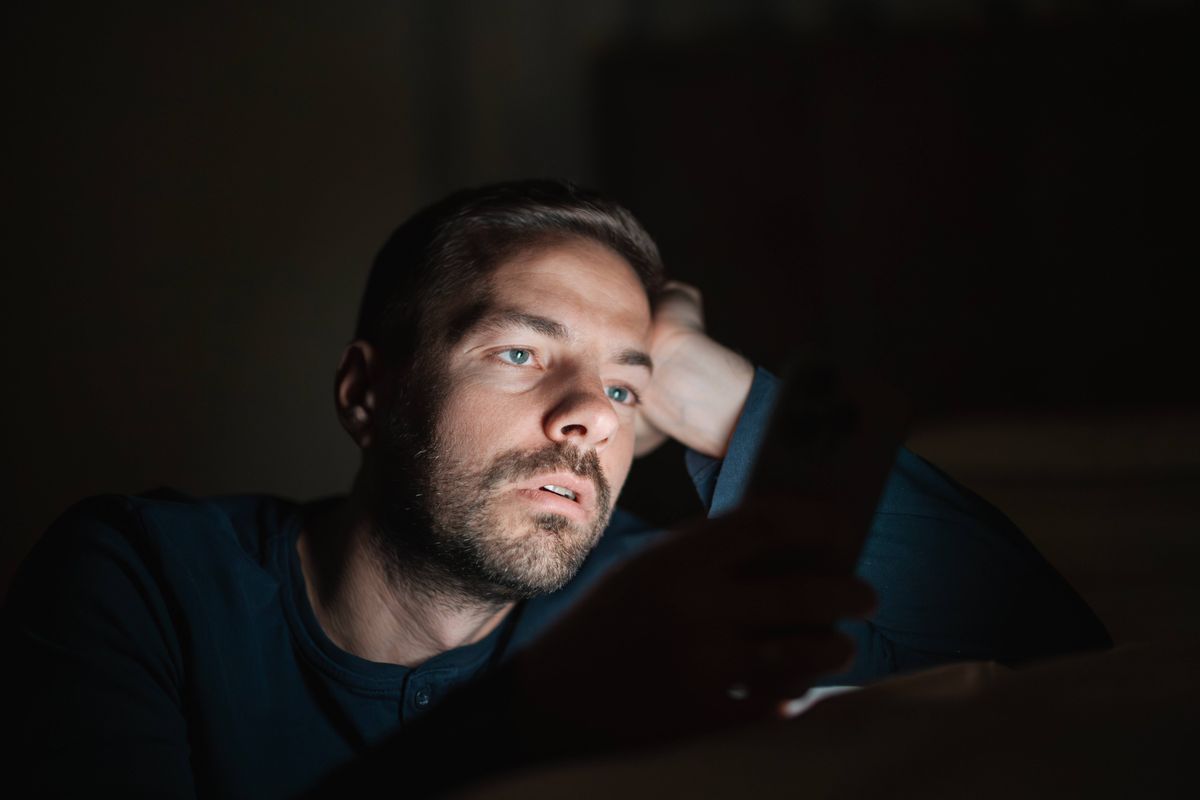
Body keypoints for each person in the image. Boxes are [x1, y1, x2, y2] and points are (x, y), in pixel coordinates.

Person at [2, 180, 1109, 798]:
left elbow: (1048, 644)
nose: (590, 414)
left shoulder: (651, 600)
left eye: (624, 391)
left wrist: (700, 386)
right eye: (522, 354)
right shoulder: (138, 580)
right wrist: (533, 717)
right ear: (365, 395)